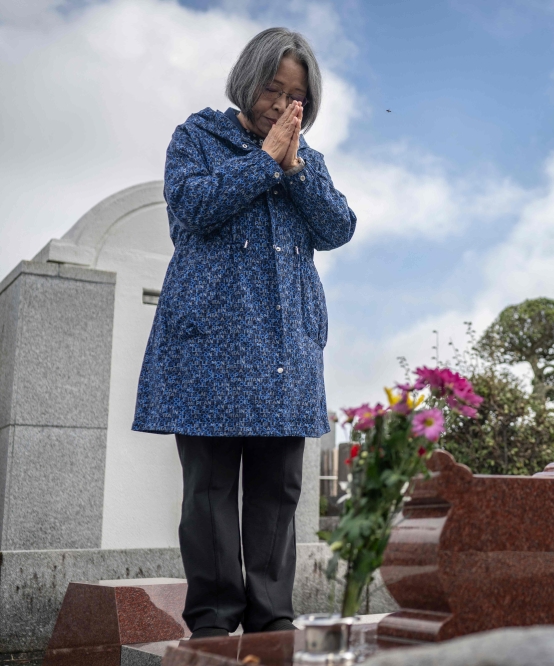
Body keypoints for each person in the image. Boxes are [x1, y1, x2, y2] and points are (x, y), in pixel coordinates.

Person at [132, 27, 356, 638]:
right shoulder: (197, 138)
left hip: (286, 346)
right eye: (272, 88)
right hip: (210, 343)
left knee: (276, 491)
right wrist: (262, 163)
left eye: (295, 96)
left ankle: (271, 620)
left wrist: (295, 169)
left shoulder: (307, 160)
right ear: (247, 80)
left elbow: (339, 228)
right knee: (208, 491)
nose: (280, 104)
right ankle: (212, 621)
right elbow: (192, 211)